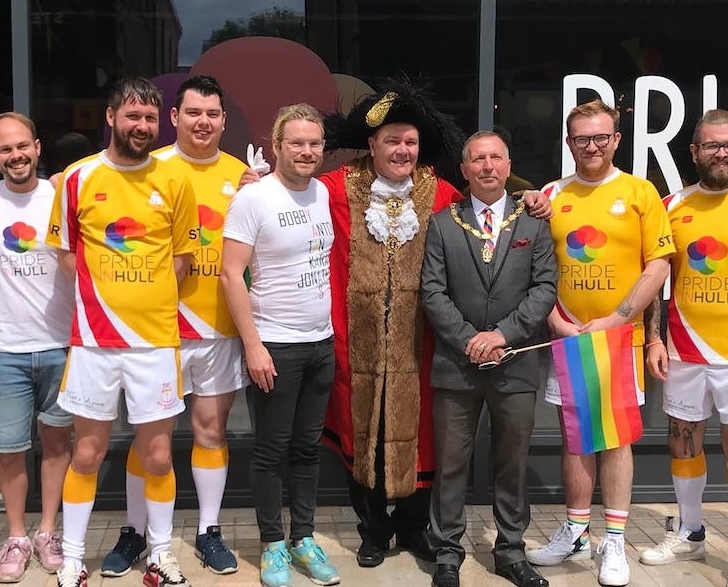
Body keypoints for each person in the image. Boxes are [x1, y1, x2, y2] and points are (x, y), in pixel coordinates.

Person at [319, 84, 553, 567]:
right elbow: (292, 195)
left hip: (424, 342)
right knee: (364, 432)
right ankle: (372, 530)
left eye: (410, 142)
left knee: (424, 439)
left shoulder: (441, 193)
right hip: (358, 340)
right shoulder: (337, 187)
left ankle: (413, 526)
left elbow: (489, 203)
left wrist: (529, 196)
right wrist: (255, 183)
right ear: (373, 144)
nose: (402, 151)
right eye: (392, 141)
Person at [47, 76, 198, 587]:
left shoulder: (174, 179)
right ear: (111, 117)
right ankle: (73, 560)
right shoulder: (77, 177)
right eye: (133, 116)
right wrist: (106, 299)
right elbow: (67, 253)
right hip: (94, 342)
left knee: (157, 455)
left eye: (150, 118)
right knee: (87, 453)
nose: (142, 126)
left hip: (155, 343)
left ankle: (160, 555)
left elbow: (182, 258)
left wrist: (145, 297)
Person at [101, 75, 253, 577]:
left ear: (224, 120)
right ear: (174, 117)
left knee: (212, 431)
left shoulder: (243, 177)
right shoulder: (148, 167)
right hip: (159, 331)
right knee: (151, 440)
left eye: (212, 114)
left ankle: (209, 531)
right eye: (193, 113)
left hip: (219, 328)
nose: (202, 122)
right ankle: (135, 531)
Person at [527, 99, 674, 587]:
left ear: (616, 140)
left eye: (600, 137)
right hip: (568, 334)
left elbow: (658, 266)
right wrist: (555, 322)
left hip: (620, 340)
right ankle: (574, 530)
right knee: (575, 435)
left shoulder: (640, 192)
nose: (591, 146)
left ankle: (613, 539)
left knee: (614, 439)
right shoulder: (552, 194)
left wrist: (618, 319)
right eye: (581, 138)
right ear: (569, 143)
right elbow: (534, 269)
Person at [638, 109, 728, 587]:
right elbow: (656, 278)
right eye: (713, 145)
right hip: (683, 350)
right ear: (695, 151)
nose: (722, 153)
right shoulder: (671, 205)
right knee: (683, 441)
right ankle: (690, 531)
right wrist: (654, 337)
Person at [420, 131, 556, 587]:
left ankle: (511, 551)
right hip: (456, 365)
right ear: (465, 169)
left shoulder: (533, 222)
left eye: (496, 157)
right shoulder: (443, 223)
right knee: (450, 463)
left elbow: (544, 288)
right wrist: (470, 340)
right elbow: (432, 292)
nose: (487, 166)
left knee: (512, 463)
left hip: (514, 363)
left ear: (508, 165)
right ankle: (447, 552)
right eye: (478, 159)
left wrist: (501, 335)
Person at [221, 103, 339, 587]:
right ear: (276, 146)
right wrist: (253, 346)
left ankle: (303, 538)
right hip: (275, 343)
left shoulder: (322, 193)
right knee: (271, 451)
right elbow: (231, 275)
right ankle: (272, 545)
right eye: (296, 143)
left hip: (320, 343)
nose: (306, 151)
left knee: (308, 449)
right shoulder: (254, 198)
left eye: (314, 143)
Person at [0, 112, 74, 583]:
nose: (16, 155)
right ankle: (15, 536)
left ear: (38, 147)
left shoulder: (61, 196)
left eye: (22, 146)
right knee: (9, 448)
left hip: (62, 344)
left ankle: (47, 530)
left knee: (57, 443)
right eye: (5, 149)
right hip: (5, 349)